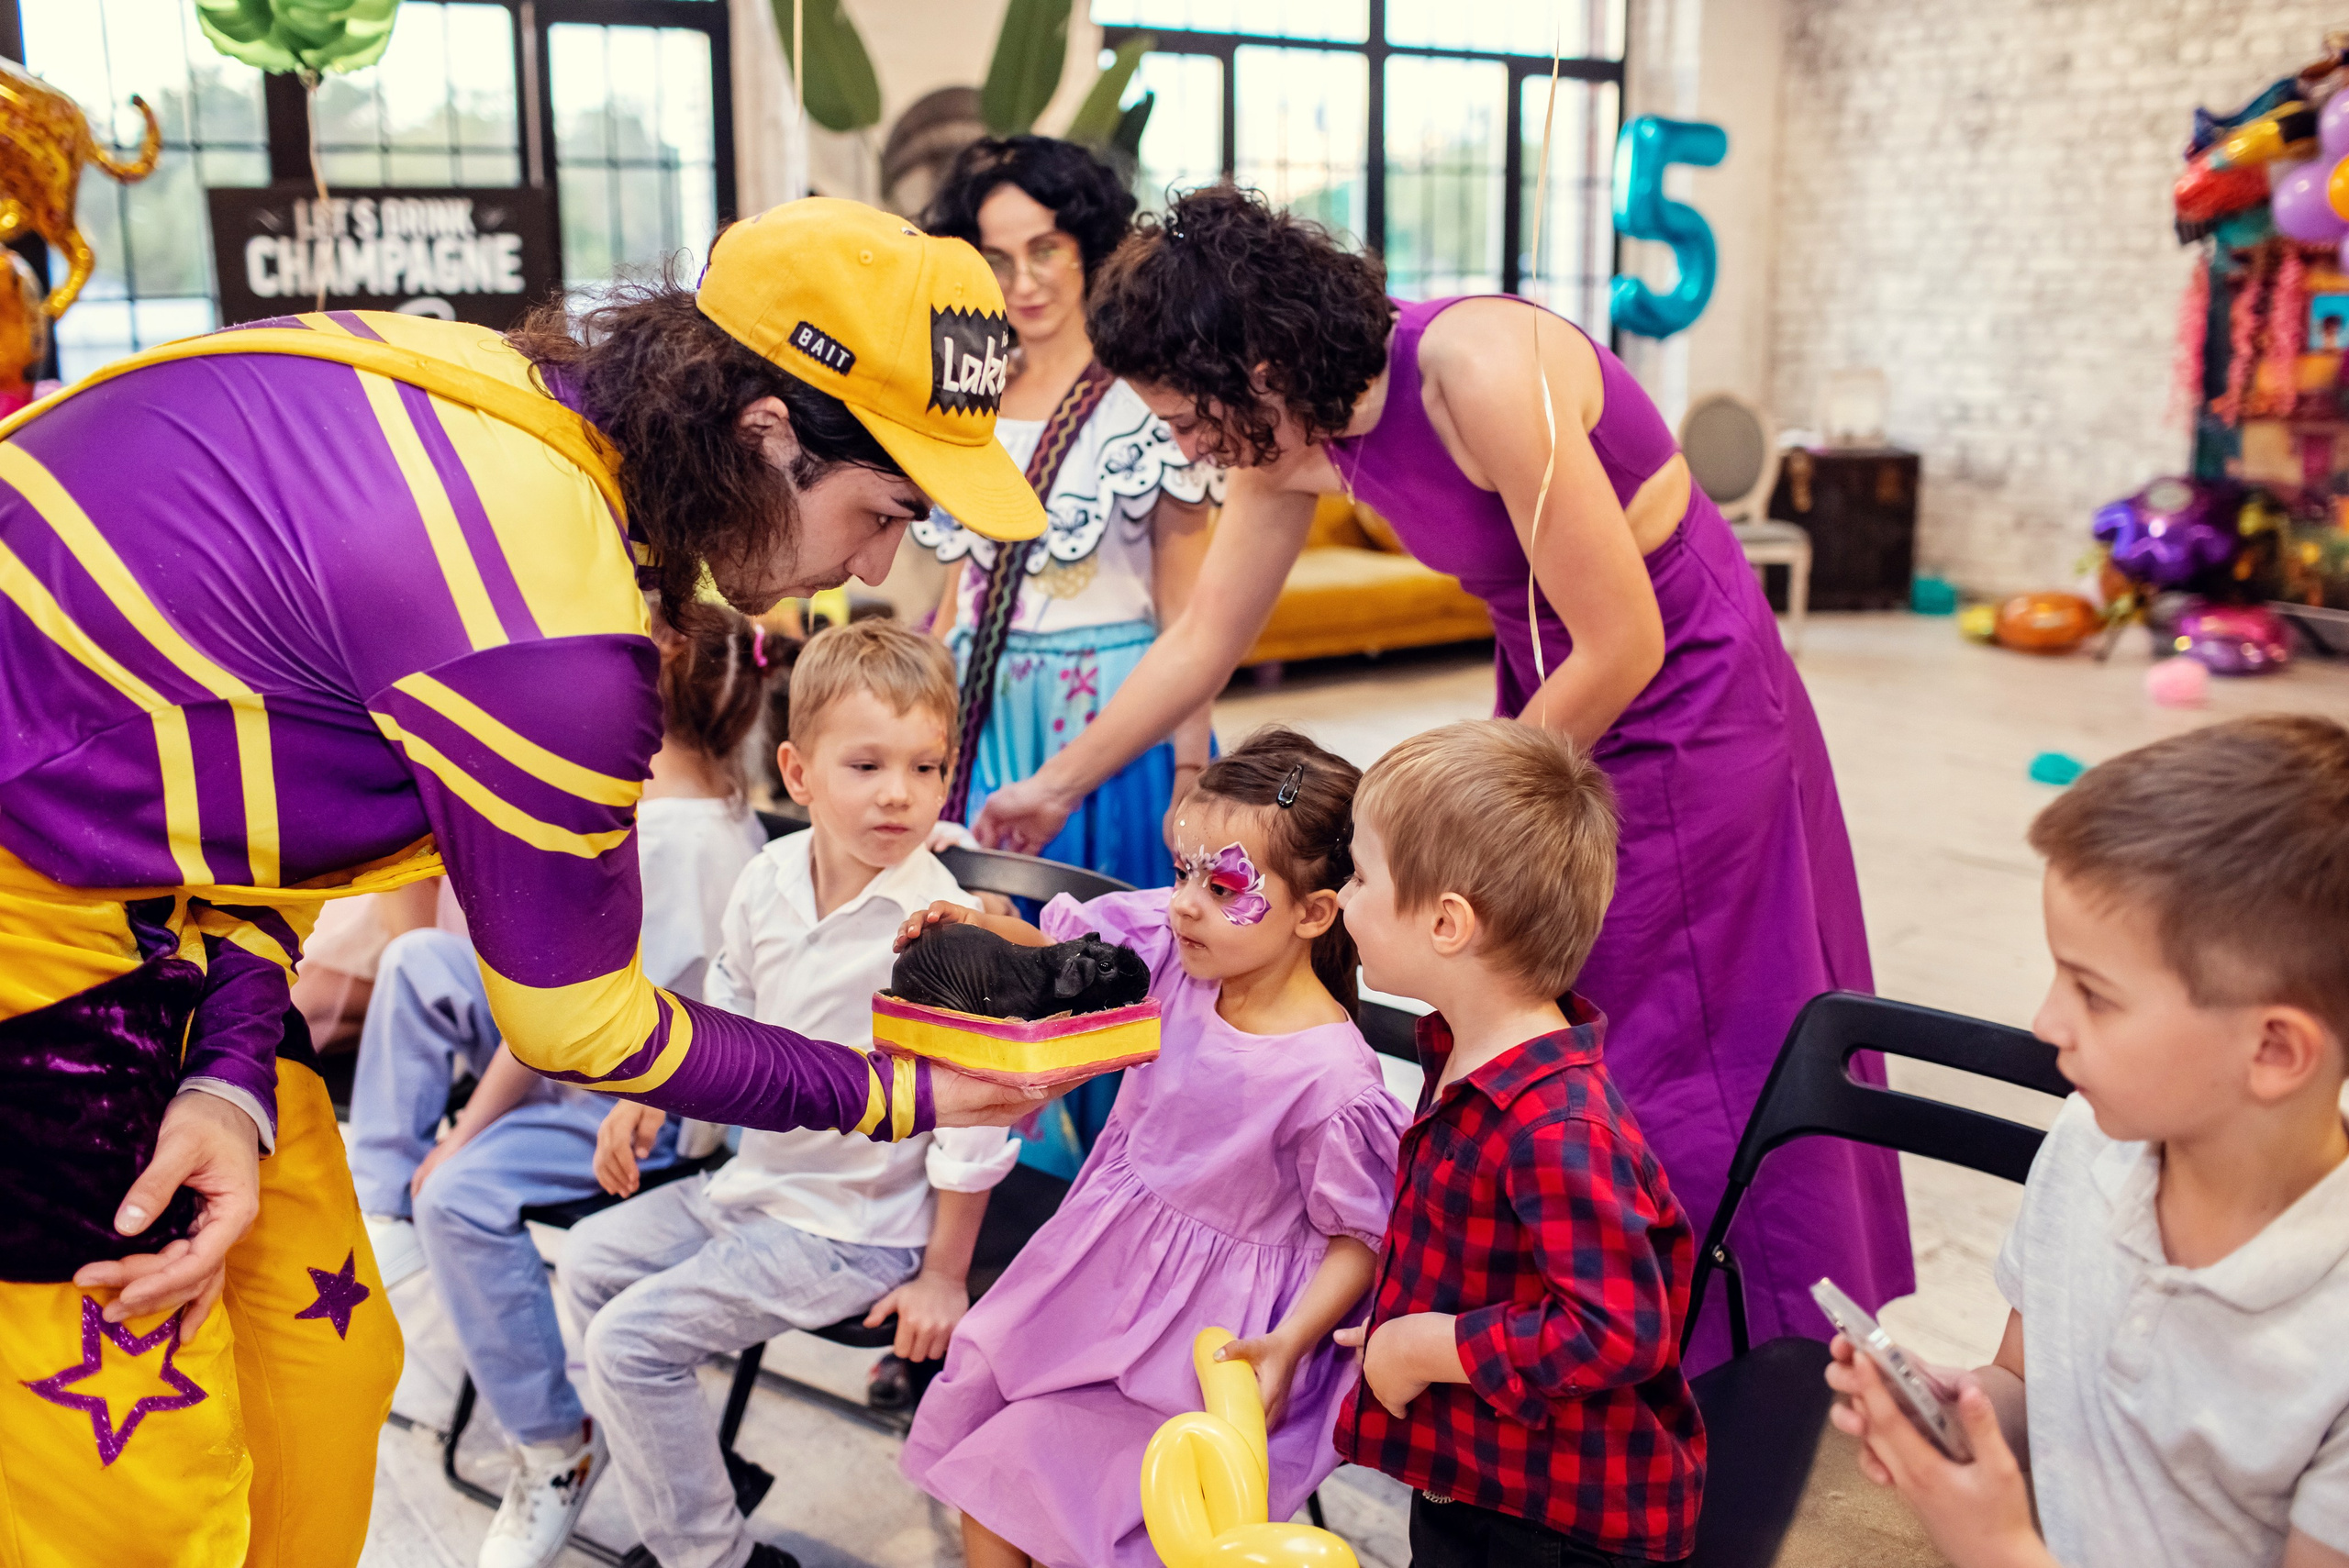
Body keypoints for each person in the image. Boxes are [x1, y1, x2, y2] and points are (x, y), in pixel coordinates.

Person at [0, 197, 1048, 1568]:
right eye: (882, 512)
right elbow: (582, 1026)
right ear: (767, 437)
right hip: (46, 954)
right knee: (143, 1462)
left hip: (132, 915)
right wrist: (905, 1090)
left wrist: (222, 1074)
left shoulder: (521, 409)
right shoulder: (548, 622)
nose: (871, 569)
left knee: (330, 1363)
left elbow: (220, 782)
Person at [973, 184, 1903, 1367]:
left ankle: (1724, 1328)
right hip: (1544, 684)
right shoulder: (1289, 443)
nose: (1185, 448)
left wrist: (1444, 813)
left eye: (1186, 416)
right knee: (1544, 995)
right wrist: (1059, 778)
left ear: (1256, 361)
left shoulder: (1474, 368)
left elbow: (1624, 642)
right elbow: (1202, 641)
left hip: (1684, 692)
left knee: (1692, 1018)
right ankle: (1581, 1294)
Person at [1826, 717, 2349, 1568]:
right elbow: (2033, 1383)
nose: (2045, 1022)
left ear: (2274, 1050)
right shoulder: (2091, 1141)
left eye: (2095, 994)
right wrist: (1964, 1415)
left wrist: (1994, 1546)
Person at [564, 619, 1018, 1568]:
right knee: (591, 1261)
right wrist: (656, 1089)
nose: (899, 791)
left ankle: (709, 1552)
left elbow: (973, 1127)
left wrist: (941, 1273)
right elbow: (725, 1009)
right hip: (753, 1188)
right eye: (865, 764)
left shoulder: (944, 930)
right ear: (799, 771)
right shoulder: (766, 876)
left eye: (924, 766)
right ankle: (684, 1478)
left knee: (629, 1343)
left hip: (852, 1228)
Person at [896, 728, 1408, 1568]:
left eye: (1225, 884)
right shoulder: (1173, 956)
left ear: (1316, 912)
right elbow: (1065, 958)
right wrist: (982, 925)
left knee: (1040, 1486)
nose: (1185, 902)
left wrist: (1287, 1346)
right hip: (1098, 1280)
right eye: (1183, 871)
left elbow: (1361, 1237)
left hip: (1209, 1344)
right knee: (992, 1469)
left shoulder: (1332, 1081)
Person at [342, 608, 777, 1568]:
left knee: (459, 1191)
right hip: (588, 1054)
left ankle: (551, 1441)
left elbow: (566, 1032)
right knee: (418, 960)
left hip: (641, 1111)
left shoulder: (674, 839)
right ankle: (379, 1205)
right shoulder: (696, 802)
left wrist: (463, 1133)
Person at [1330, 719, 1703, 1567]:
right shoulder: (1466, 1051)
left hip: (1554, 1528)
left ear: (1449, 923)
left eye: (1360, 874)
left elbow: (1618, 1329)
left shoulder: (1555, 1128)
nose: (1344, 897)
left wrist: (1426, 1344)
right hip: (1486, 1480)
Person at [918, 135, 1219, 1178]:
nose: (1023, 281)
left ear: (1088, 244)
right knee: (987, 958)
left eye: (1044, 247)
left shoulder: (1145, 401)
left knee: (1104, 972)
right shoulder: (952, 401)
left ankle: (1117, 1197)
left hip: (1116, 719)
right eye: (994, 258)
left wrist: (1189, 767)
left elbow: (1196, 614)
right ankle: (993, 1205)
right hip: (981, 718)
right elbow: (938, 595)